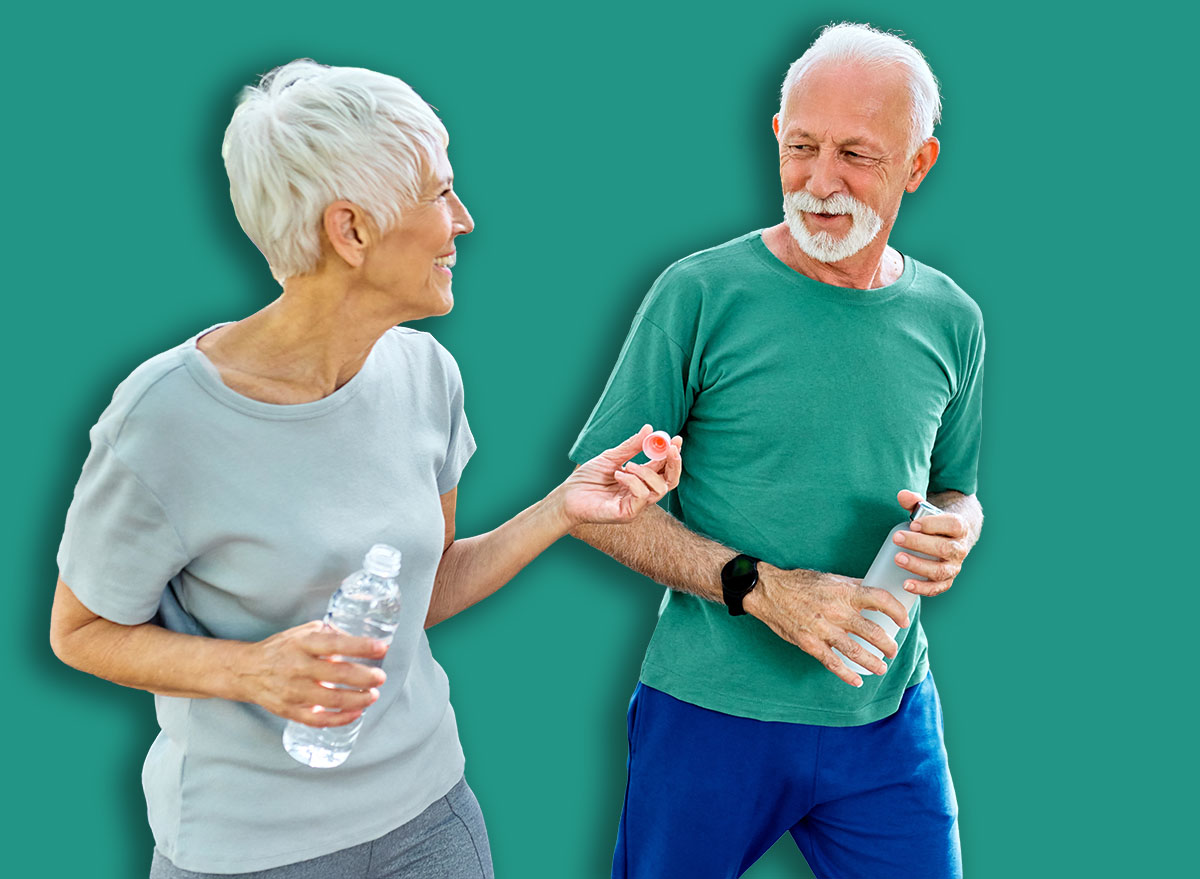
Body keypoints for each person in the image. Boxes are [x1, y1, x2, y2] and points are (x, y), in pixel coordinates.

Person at [50, 60, 681, 879]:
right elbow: (79, 631)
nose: (465, 220)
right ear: (350, 230)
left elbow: (421, 594)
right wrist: (251, 670)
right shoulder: (163, 417)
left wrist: (562, 508)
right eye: (440, 193)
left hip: (431, 817)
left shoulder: (426, 375)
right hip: (247, 851)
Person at [568, 23, 984, 879]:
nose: (820, 182)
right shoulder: (698, 294)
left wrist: (958, 527)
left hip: (888, 716)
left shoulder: (954, 319)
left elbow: (955, 488)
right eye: (801, 147)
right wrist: (761, 589)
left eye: (856, 155)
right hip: (709, 715)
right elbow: (590, 505)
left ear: (918, 164)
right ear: (775, 137)